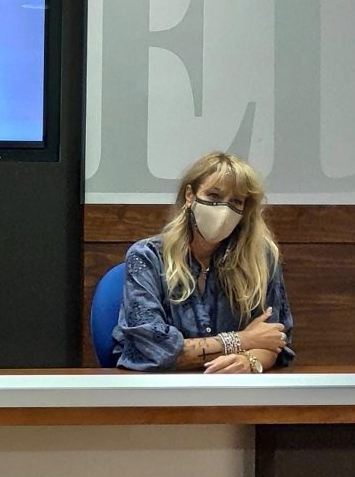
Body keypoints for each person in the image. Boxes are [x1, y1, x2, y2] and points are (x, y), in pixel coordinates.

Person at [112, 151, 293, 373]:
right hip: (160, 388)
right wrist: (242, 340)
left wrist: (249, 361)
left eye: (236, 201)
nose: (224, 210)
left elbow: (273, 339)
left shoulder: (261, 257)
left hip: (234, 387)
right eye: (214, 195)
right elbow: (155, 350)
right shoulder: (147, 257)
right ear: (190, 195)